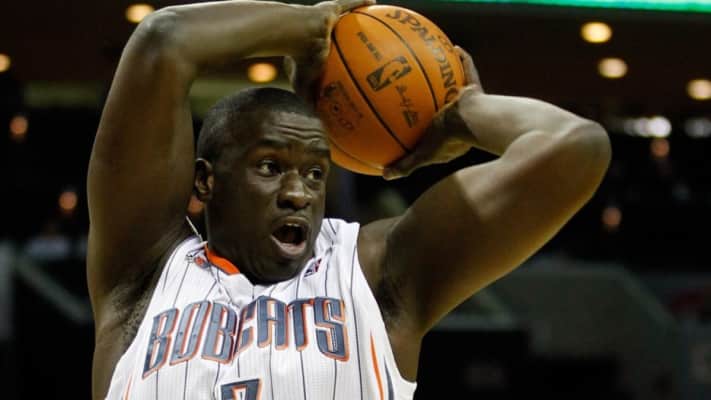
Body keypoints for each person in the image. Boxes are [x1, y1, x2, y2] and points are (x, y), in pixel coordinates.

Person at [86, 1, 611, 399]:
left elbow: (576, 150)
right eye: (270, 167)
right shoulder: (143, 278)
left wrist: (462, 113)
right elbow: (165, 40)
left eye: (315, 173)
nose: (298, 193)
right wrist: (313, 31)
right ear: (205, 182)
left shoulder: (375, 275)